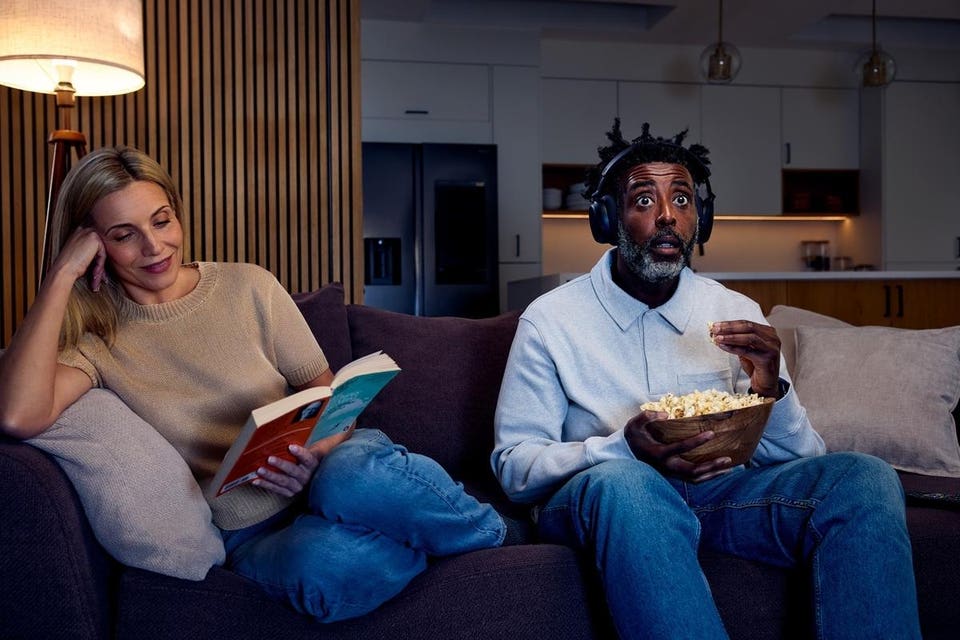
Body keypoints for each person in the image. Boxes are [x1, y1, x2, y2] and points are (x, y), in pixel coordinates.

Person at [0, 145, 513, 622]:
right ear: (92, 243)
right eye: (123, 234)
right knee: (328, 571)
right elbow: (18, 415)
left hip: (333, 464)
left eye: (162, 221)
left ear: (178, 213)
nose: (154, 246)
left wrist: (315, 454)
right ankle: (417, 532)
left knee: (354, 480)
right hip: (250, 529)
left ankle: (492, 537)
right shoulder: (96, 337)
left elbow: (332, 396)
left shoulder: (248, 285)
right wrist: (60, 277)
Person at [491, 119, 921, 639]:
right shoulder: (550, 320)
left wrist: (768, 390)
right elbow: (514, 467)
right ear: (607, 219)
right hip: (605, 497)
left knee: (863, 478)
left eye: (684, 200)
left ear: (703, 217)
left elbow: (805, 459)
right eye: (645, 201)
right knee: (629, 484)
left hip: (720, 498)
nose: (668, 216)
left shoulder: (734, 310)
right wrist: (621, 449)